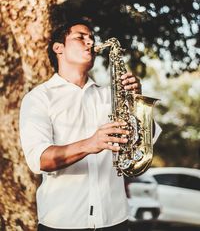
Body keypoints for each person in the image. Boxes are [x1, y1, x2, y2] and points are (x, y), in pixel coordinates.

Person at [19, 20, 161, 231]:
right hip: (63, 223)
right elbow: (39, 160)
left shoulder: (110, 96)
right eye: (80, 37)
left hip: (115, 220)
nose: (90, 42)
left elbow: (144, 142)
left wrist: (135, 101)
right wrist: (90, 144)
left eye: (92, 38)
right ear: (58, 48)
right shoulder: (39, 98)